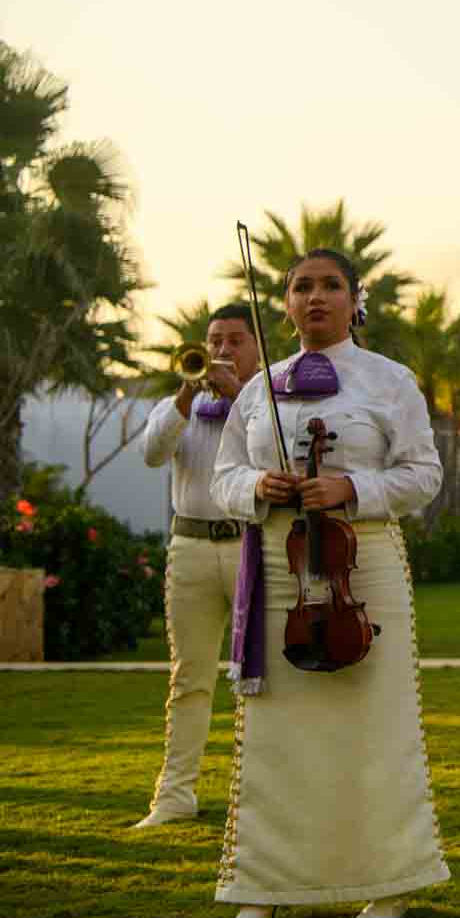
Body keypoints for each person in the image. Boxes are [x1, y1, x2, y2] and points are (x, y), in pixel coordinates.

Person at [207, 248, 447, 918]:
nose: (315, 297)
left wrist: (353, 488)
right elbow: (224, 476)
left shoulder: (389, 380)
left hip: (360, 565)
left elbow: (423, 473)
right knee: (276, 739)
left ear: (354, 298)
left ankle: (386, 882)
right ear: (284, 303)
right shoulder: (260, 389)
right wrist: (257, 487)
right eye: (301, 287)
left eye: (330, 285)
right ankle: (263, 888)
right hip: (282, 567)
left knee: (374, 730)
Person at [131, 304, 262, 829]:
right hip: (188, 547)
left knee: (257, 677)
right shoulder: (177, 403)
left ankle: (256, 795)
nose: (222, 351)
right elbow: (150, 452)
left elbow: (273, 454)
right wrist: (186, 396)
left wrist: (237, 396)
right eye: (214, 341)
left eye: (234, 340)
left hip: (250, 546)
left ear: (256, 348)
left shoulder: (266, 405)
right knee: (189, 679)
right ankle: (174, 796)